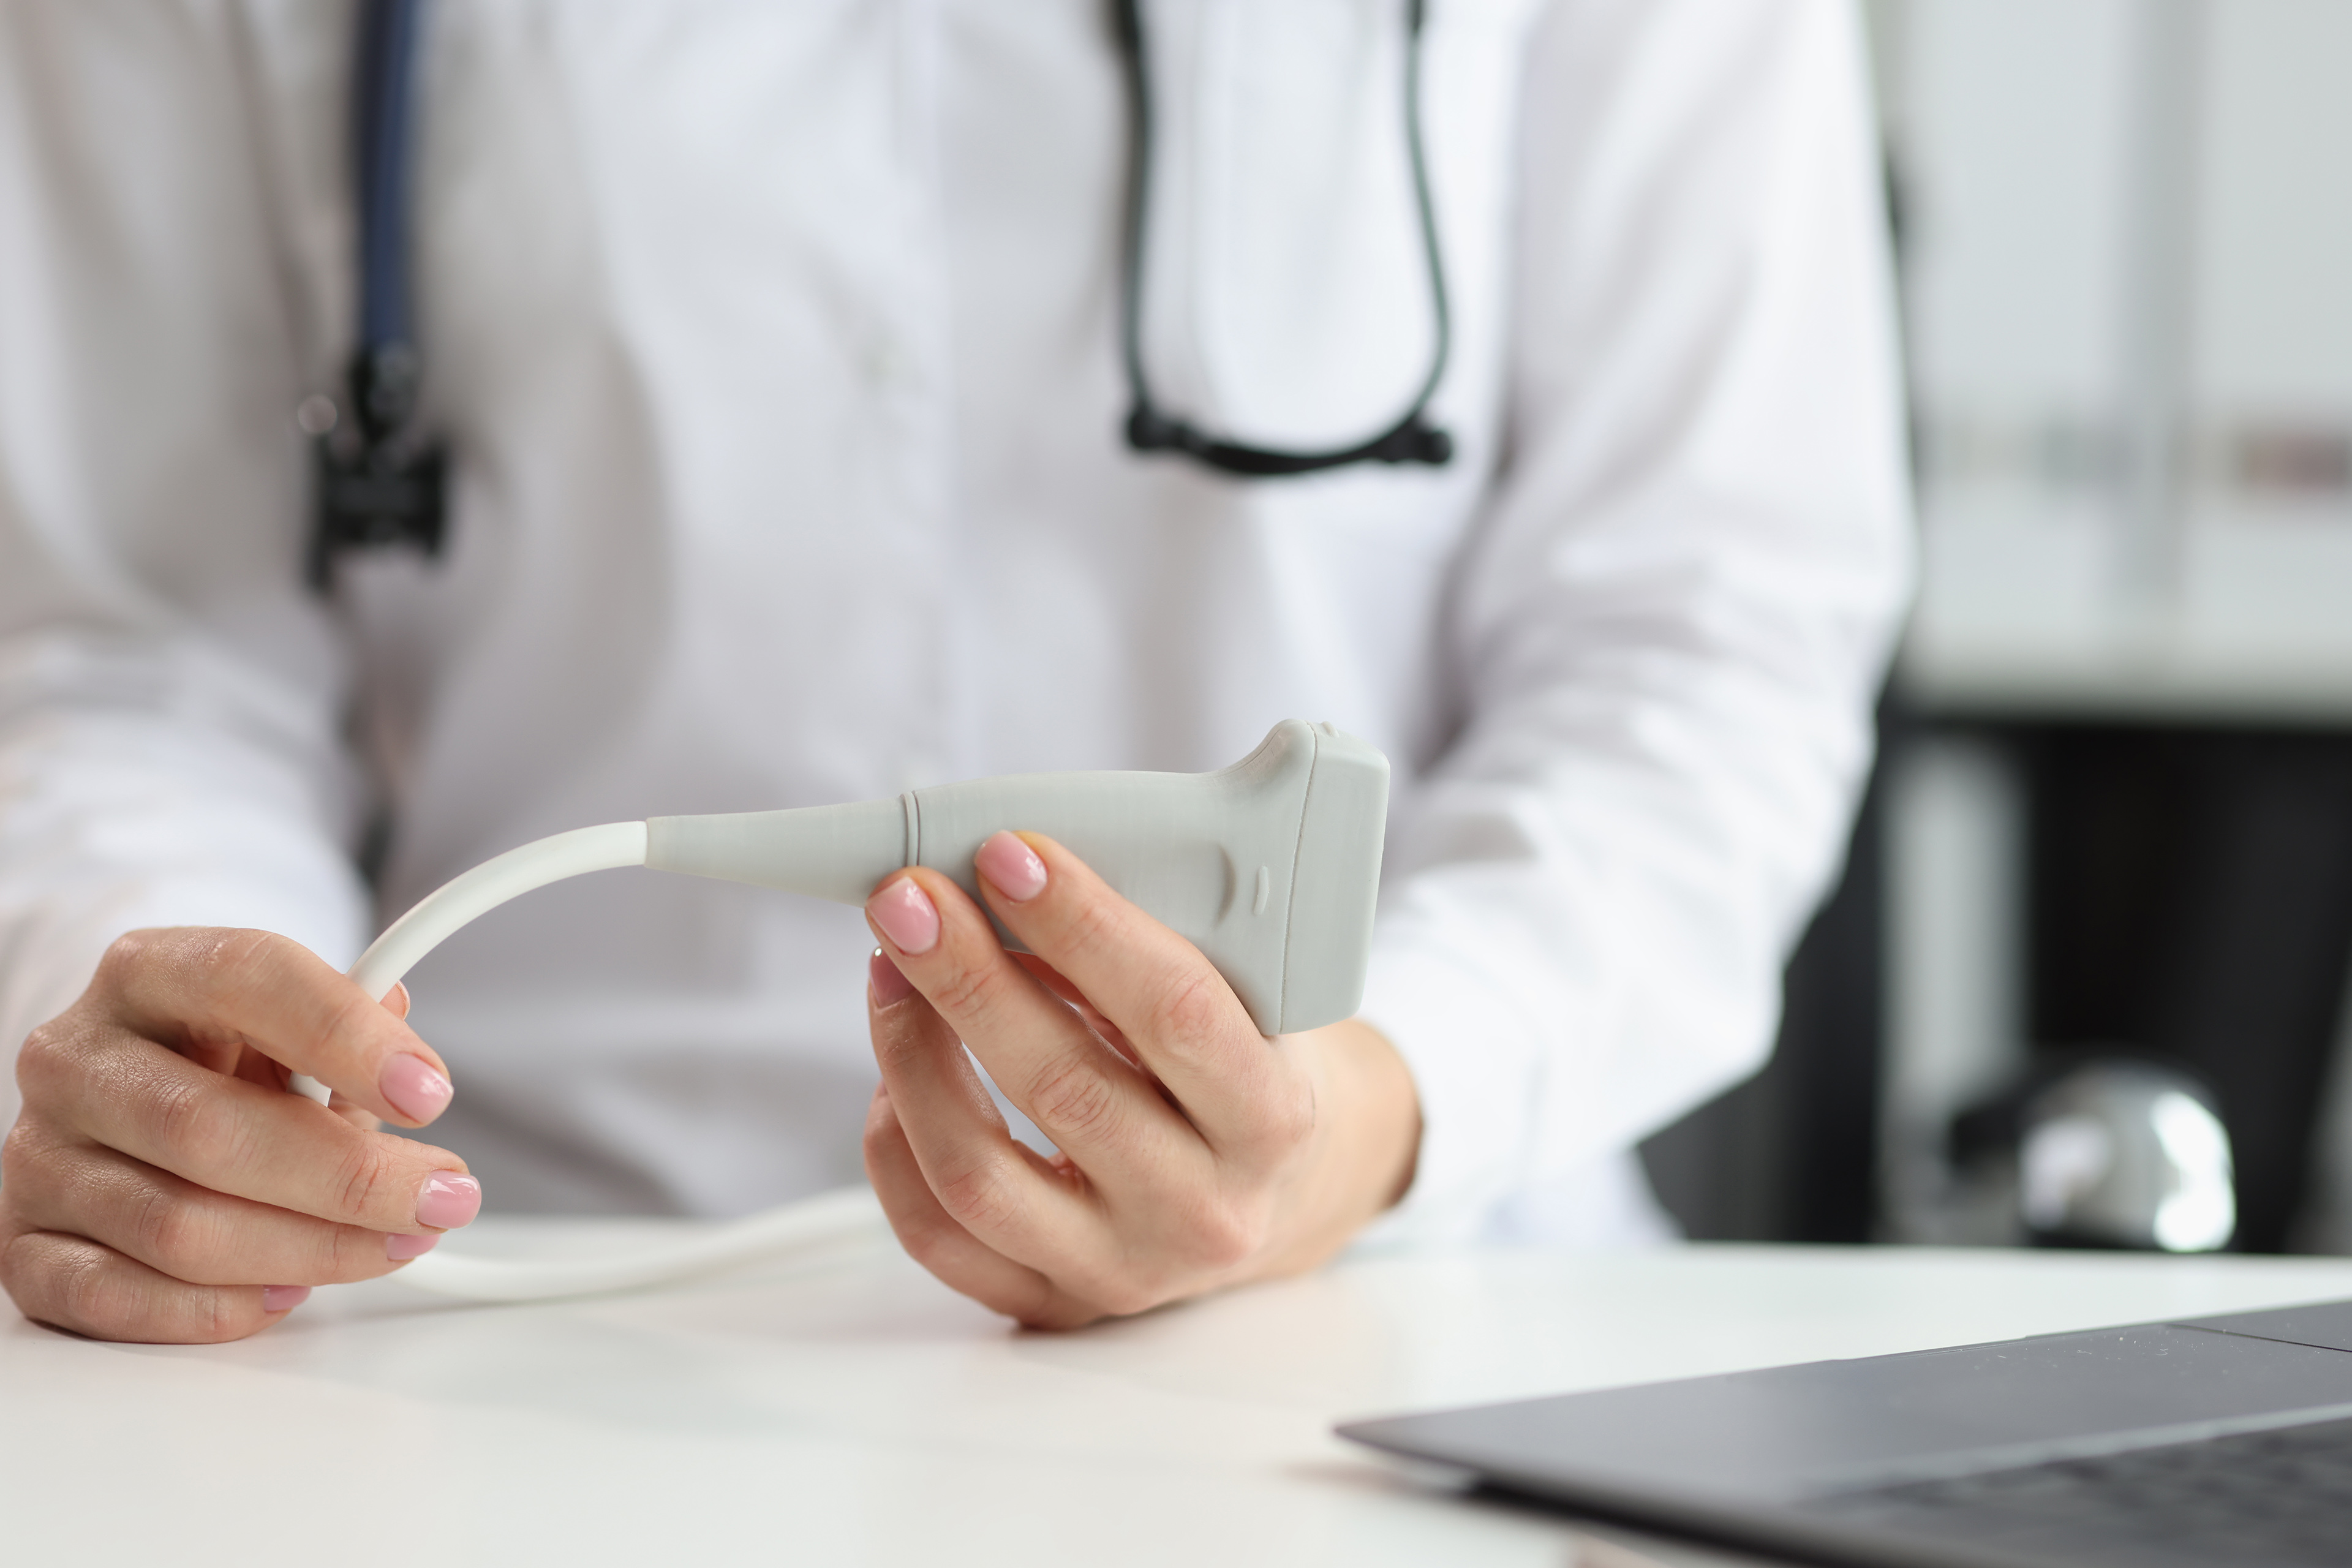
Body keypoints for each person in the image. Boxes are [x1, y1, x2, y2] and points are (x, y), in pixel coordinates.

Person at [0, 0, 1909, 1342]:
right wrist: (201, 1077)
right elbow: (132, 650)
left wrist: (1388, 1095)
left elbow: (1706, 635)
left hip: (1387, 1313)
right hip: (479, 1305)